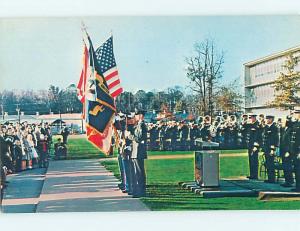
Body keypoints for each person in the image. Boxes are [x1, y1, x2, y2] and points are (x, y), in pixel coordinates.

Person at [131, 110, 147, 197]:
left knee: (140, 172)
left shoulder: (141, 125)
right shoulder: (139, 125)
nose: (135, 116)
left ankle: (141, 191)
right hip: (136, 151)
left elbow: (139, 138)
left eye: (136, 115)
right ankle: (139, 190)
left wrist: (129, 136)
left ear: (140, 115)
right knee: (137, 172)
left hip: (139, 151)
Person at [262, 115, 279, 183]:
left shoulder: (274, 127)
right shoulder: (266, 127)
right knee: (268, 163)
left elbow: (275, 138)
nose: (267, 120)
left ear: (271, 119)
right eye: (266, 119)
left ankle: (272, 178)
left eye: (268, 119)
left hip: (271, 148)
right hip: (266, 148)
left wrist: (272, 149)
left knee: (271, 163)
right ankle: (269, 178)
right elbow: (264, 138)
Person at [280, 116, 294, 187]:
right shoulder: (283, 129)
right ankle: (286, 180)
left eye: (283, 121)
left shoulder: (290, 129)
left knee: (288, 166)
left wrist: (288, 151)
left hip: (287, 151)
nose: (281, 123)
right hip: (283, 150)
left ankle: (289, 181)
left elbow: (290, 142)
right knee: (285, 166)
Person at [246, 114, 261, 180]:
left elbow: (258, 136)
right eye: (250, 118)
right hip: (250, 144)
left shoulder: (257, 125)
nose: (250, 119)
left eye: (251, 117)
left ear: (254, 118)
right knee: (251, 160)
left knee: (254, 160)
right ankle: (252, 174)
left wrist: (256, 146)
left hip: (254, 145)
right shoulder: (251, 125)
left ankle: (255, 175)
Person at [290, 110, 300, 192]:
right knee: (296, 169)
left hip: (298, 151)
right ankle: (297, 186)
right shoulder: (296, 124)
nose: (294, 115)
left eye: (296, 114)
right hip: (294, 150)